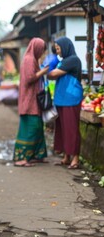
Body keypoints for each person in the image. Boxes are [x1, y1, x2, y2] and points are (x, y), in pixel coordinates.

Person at [47, 37, 83, 169]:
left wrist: (44, 71)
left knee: (71, 128)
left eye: (58, 48)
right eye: (56, 49)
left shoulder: (73, 60)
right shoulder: (63, 61)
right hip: (62, 99)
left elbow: (54, 74)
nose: (57, 51)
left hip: (71, 99)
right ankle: (66, 156)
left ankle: (75, 158)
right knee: (62, 128)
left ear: (66, 47)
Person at [13, 38, 49, 167]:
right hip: (29, 101)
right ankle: (22, 158)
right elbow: (29, 78)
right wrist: (42, 72)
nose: (43, 53)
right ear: (37, 48)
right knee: (31, 128)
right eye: (42, 50)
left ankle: (37, 155)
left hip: (32, 99)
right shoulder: (29, 60)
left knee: (38, 126)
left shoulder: (31, 58)